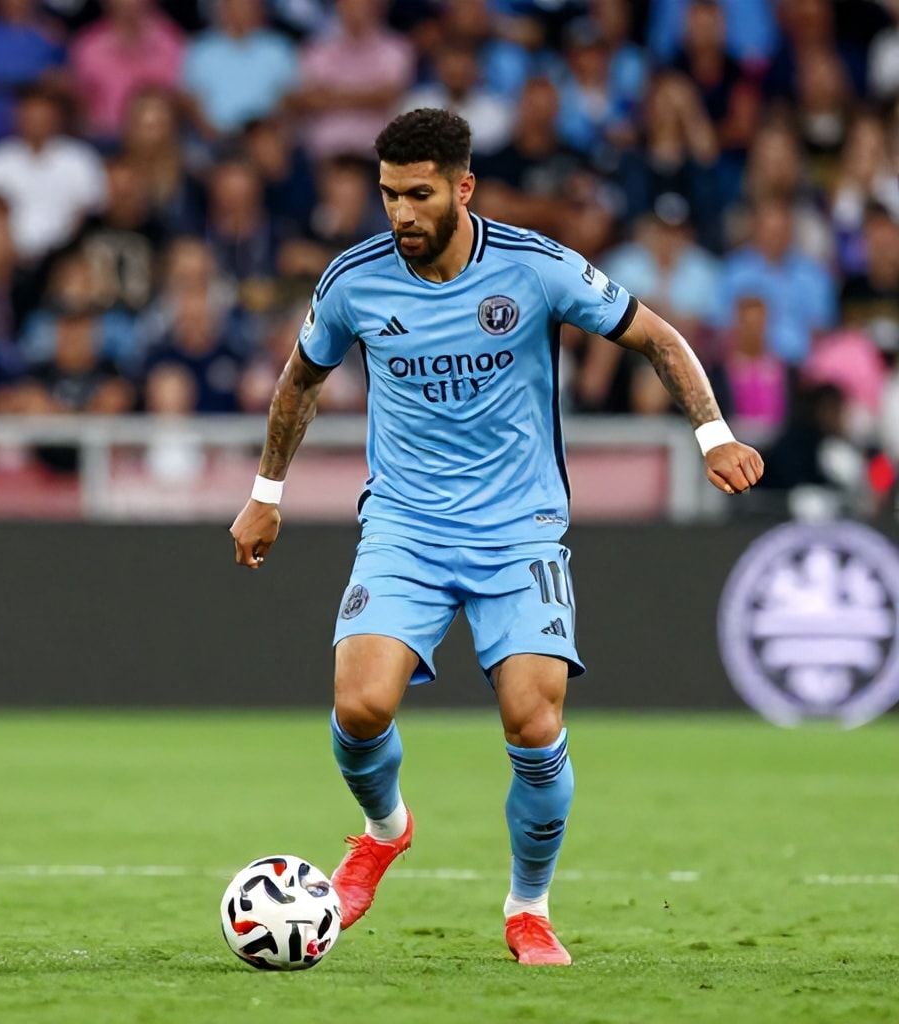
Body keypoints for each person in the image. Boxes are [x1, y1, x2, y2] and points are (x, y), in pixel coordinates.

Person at [228, 109, 765, 967]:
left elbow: (657, 338)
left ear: (463, 188)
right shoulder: (354, 280)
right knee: (359, 706)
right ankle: (384, 831)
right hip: (405, 525)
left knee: (533, 721)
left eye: (419, 194)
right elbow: (300, 380)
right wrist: (266, 494)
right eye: (388, 195)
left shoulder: (535, 266)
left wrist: (714, 436)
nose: (400, 213)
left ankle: (528, 908)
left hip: (520, 531)